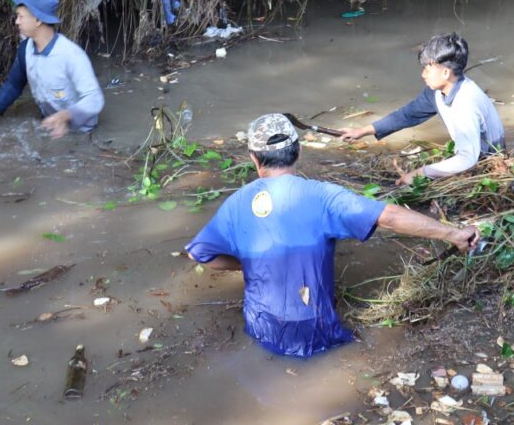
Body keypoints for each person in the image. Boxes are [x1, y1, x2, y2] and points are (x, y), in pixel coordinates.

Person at [185, 114, 479, 358]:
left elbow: (200, 254)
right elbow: (388, 216)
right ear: (298, 151)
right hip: (312, 327)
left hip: (258, 324)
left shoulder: (235, 203)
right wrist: (453, 233)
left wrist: (245, 263)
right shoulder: (322, 196)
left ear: (253, 158)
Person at [340, 33, 505, 185]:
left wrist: (420, 173)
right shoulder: (438, 91)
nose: (423, 74)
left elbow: (467, 159)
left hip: (486, 165)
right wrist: (362, 131)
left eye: (427, 68)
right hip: (471, 157)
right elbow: (408, 114)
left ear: (446, 73)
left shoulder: (465, 103)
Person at [0, 0, 104, 137]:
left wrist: (64, 116)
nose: (16, 21)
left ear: (38, 19)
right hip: (50, 128)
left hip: (82, 133)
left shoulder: (71, 55)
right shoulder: (26, 50)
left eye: (21, 16)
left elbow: (94, 99)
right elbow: (13, 85)